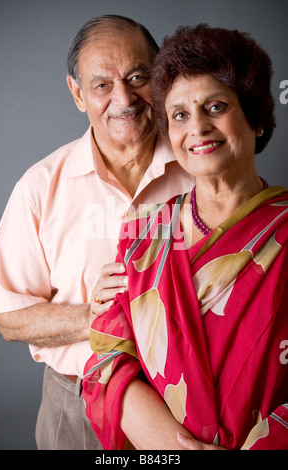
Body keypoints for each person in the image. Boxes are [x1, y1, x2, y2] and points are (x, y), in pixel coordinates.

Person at [0, 15, 194, 450]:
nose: (123, 97)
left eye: (138, 77)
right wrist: (91, 315)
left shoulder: (203, 168)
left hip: (188, 404)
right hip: (76, 407)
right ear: (77, 93)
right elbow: (9, 316)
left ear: (159, 78)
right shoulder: (39, 187)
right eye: (102, 85)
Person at [82, 24, 288, 450]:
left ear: (256, 119)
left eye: (215, 107)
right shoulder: (143, 232)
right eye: (179, 115)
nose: (197, 127)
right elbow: (108, 361)